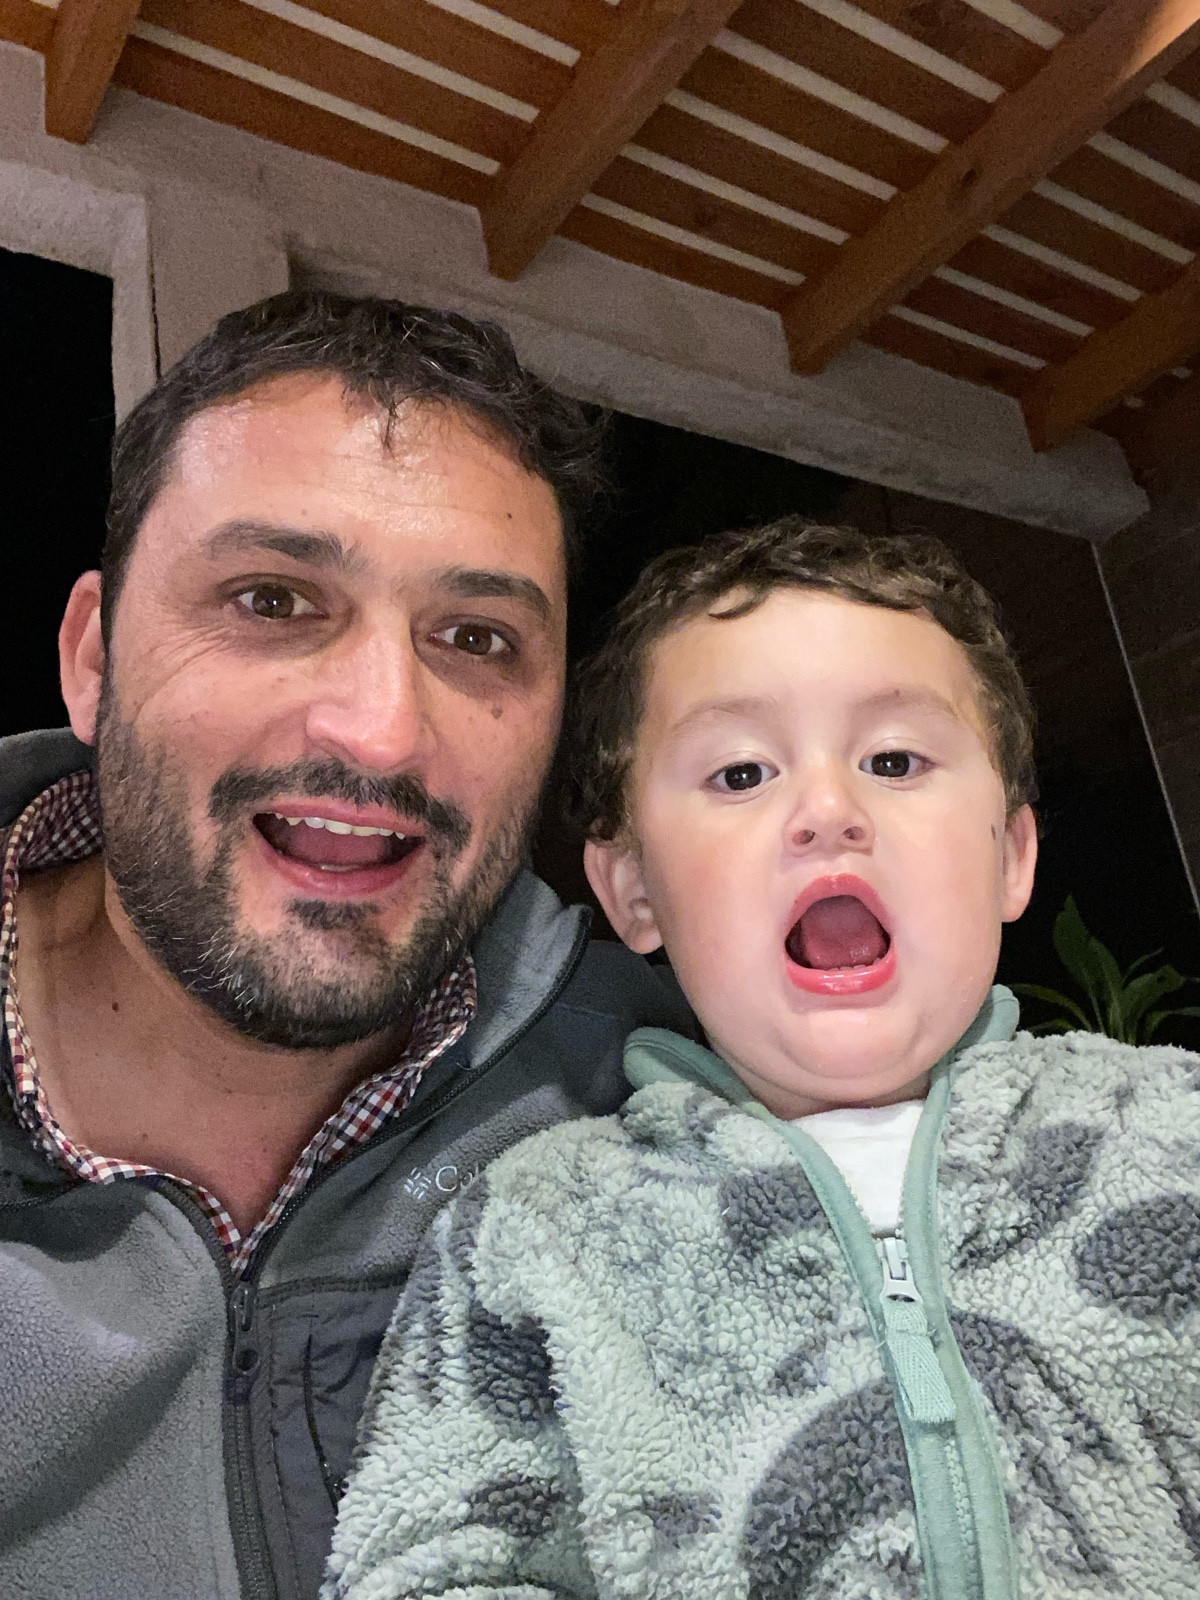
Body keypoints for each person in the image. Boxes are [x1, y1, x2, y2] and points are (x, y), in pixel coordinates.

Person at [326, 519, 1200, 1600]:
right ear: (634, 890)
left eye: (894, 760)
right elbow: (426, 1568)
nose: (828, 811)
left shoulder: (1167, 1130)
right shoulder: (541, 1227)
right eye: (741, 773)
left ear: (1010, 855)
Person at [0, 290, 694, 1600]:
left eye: (476, 638)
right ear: (92, 659)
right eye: (272, 599)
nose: (382, 731)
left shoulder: (655, 1090)